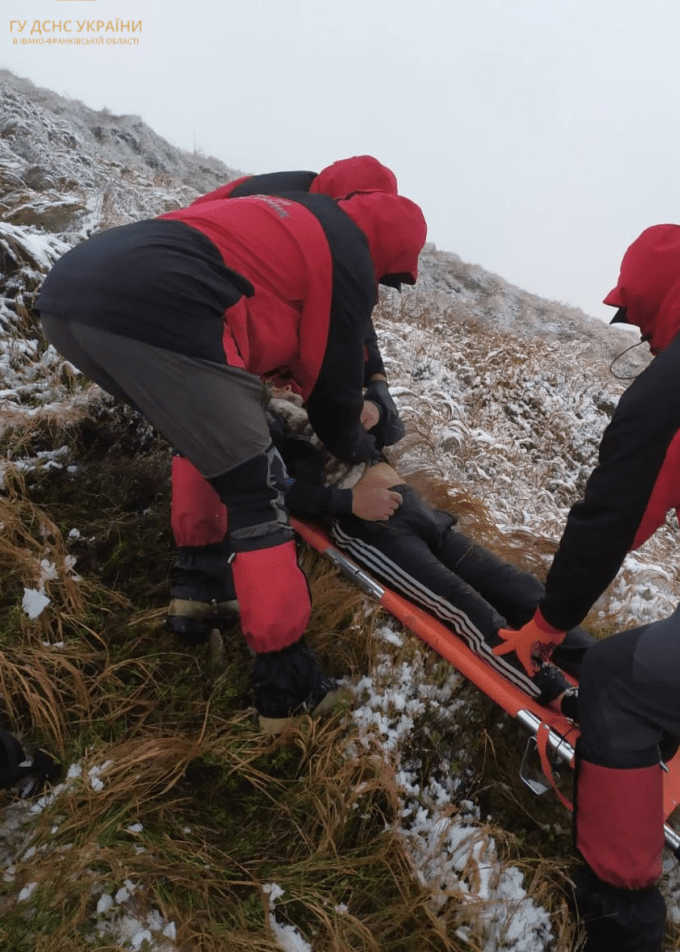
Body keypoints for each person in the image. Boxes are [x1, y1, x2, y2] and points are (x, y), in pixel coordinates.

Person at [34, 184, 427, 732]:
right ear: (386, 249)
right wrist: (361, 449)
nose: (380, 290)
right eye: (388, 277)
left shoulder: (287, 210)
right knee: (257, 490)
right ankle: (288, 692)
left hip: (71, 296)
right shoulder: (347, 255)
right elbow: (330, 396)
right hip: (166, 309)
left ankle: (201, 594)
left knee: (206, 438)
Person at [503, 224, 680, 951]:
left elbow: (607, 523)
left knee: (617, 680)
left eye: (636, 315)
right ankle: (666, 721)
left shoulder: (675, 384)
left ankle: (620, 916)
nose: (641, 334)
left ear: (656, 300)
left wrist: (548, 624)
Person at [167, 157, 407, 638]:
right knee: (238, 456)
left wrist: (375, 380)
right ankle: (269, 648)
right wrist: (354, 461)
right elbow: (333, 322)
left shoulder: (301, 201)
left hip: (170, 284)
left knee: (201, 428)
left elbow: (350, 313)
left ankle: (197, 586)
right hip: (205, 299)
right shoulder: (313, 221)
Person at [266, 393, 593, 710]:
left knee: (521, 589)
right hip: (371, 527)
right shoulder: (256, 419)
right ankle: (562, 696)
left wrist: (375, 409)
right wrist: (349, 503)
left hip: (417, 510)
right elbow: (274, 492)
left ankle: (602, 669)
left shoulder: (319, 384)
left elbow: (389, 425)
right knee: (465, 606)